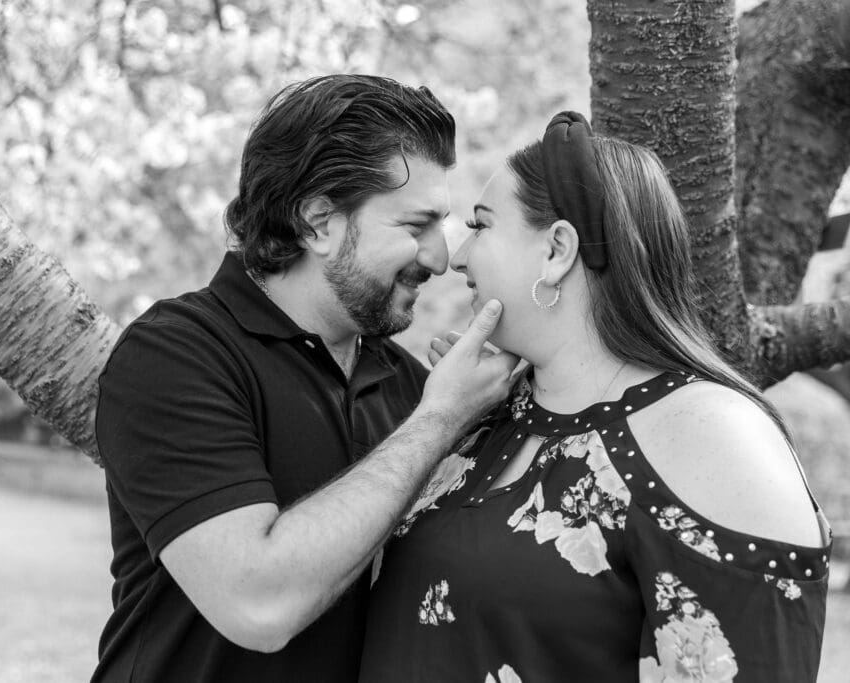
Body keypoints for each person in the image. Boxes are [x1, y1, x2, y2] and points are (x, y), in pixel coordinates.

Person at [359, 112, 833, 682]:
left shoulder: (712, 431)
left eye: (481, 226)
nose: (456, 257)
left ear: (558, 248)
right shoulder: (480, 417)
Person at [91, 75, 518, 683]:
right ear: (319, 222)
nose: (438, 258)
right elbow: (256, 602)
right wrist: (441, 419)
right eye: (414, 225)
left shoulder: (406, 382)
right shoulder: (174, 354)